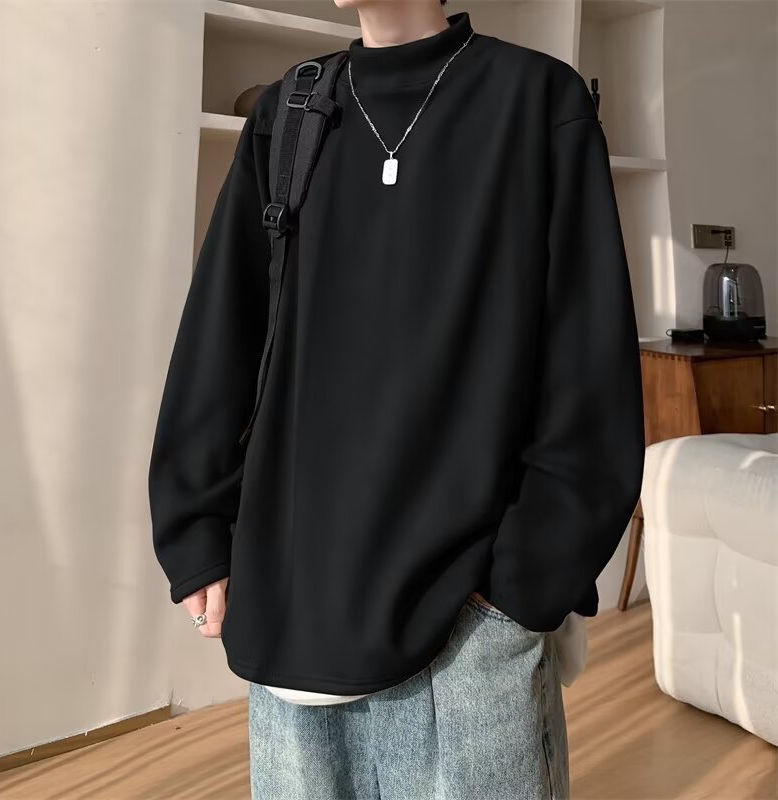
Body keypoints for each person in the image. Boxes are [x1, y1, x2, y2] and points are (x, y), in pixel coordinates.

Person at [147, 0, 645, 797]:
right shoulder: (290, 111)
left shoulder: (537, 102)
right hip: (295, 607)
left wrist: (522, 587)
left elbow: (588, 361)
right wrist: (196, 531)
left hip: (473, 625)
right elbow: (222, 334)